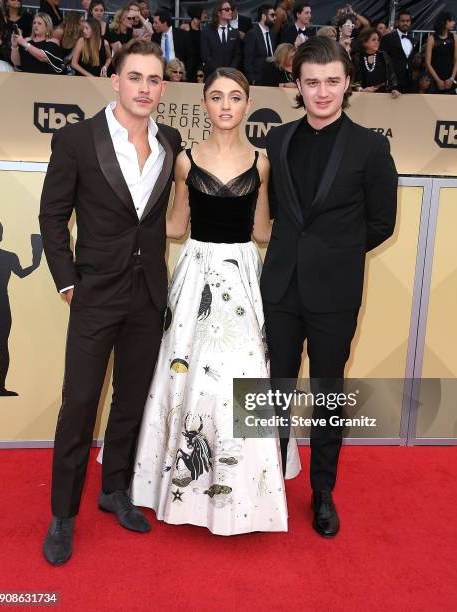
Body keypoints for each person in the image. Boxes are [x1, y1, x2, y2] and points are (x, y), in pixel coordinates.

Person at [130, 67, 300, 536]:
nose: (226, 106)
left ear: (247, 104)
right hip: (195, 276)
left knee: (244, 377)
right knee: (185, 372)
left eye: (236, 97)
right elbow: (176, 226)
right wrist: (121, 216)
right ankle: (180, 480)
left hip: (243, 277)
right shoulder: (184, 160)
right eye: (217, 97)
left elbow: (262, 231)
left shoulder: (263, 162)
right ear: (204, 103)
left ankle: (247, 486)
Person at [39, 39, 182, 566]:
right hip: (95, 294)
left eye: (154, 80)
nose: (144, 88)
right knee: (79, 404)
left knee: (131, 399)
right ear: (115, 79)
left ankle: (114, 489)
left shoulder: (170, 140)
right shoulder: (76, 139)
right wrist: (67, 281)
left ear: (162, 87)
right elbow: (52, 217)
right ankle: (62, 515)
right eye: (135, 78)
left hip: (148, 295)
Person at [261, 37, 397, 538]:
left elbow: (381, 222)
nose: (322, 93)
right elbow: (271, 208)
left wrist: (333, 253)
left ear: (347, 84)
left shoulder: (370, 145)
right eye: (312, 82)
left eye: (332, 82)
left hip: (334, 294)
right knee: (272, 390)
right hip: (278, 286)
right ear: (297, 85)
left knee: (327, 395)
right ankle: (266, 478)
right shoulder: (278, 140)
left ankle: (322, 491)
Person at [0, 221, 42, 396]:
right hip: (2, 307)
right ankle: (0, 386)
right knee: (2, 346)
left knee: (1, 346)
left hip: (0, 306)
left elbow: (20, 273)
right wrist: (36, 261)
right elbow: (21, 273)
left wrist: (36, 261)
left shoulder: (9, 257)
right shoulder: (8, 257)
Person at [353, 27, 400, 97]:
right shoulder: (358, 58)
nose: (377, 42)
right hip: (363, 98)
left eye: (378, 40)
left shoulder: (383, 55)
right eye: (373, 40)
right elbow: (354, 81)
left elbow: (392, 76)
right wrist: (361, 90)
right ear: (364, 42)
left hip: (384, 97)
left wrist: (394, 89)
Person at [200, 0, 241, 77]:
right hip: (212, 75)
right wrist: (217, 70)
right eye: (227, 9)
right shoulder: (207, 31)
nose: (230, 11)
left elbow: (237, 55)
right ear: (218, 13)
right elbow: (206, 55)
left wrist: (230, 70)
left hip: (230, 75)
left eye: (231, 9)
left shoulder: (234, 32)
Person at [380, 10, 417, 93]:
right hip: (394, 80)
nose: (405, 23)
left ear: (410, 22)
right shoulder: (388, 38)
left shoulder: (412, 39)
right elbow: (382, 59)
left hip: (409, 81)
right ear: (397, 22)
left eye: (407, 21)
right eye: (402, 21)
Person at [152, 8, 194, 77]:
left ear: (164, 23)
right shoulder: (155, 37)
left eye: (156, 23)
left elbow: (190, 56)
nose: (153, 25)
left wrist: (185, 74)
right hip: (161, 74)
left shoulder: (182, 34)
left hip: (179, 75)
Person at [425, 11, 457, 94]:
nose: (454, 23)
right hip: (435, 76)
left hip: (450, 75)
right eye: (451, 21)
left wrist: (452, 79)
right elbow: (427, 62)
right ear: (444, 22)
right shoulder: (432, 38)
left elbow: (456, 60)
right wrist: (438, 80)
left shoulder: (454, 37)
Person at [243, 3, 277, 85]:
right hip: (258, 78)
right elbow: (248, 59)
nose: (275, 18)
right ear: (263, 16)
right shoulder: (252, 34)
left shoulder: (273, 34)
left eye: (275, 15)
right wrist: (252, 79)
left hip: (272, 77)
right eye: (272, 15)